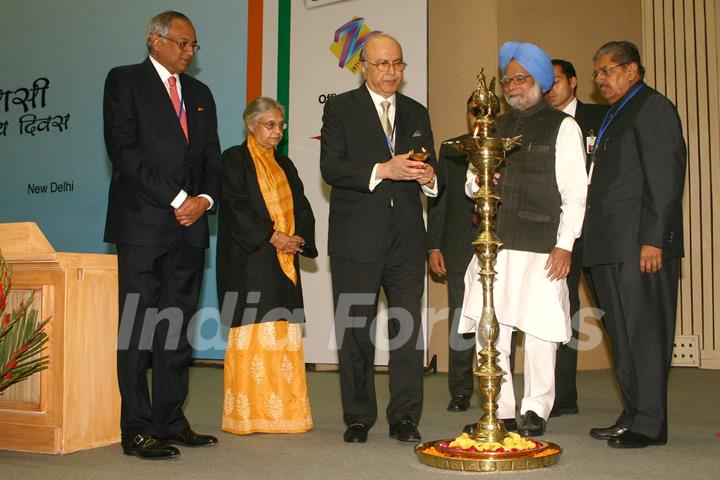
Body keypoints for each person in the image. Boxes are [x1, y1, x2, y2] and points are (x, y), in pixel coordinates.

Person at [103, 11, 221, 459]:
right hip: (144, 225)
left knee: (176, 329)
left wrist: (205, 200)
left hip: (191, 229)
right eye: (182, 44)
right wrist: (178, 198)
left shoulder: (201, 93)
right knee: (138, 328)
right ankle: (135, 428)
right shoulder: (125, 81)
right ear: (156, 41)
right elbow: (124, 152)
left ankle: (170, 420)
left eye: (194, 46)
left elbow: (212, 157)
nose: (189, 52)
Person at [460, 41, 587, 437]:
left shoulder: (563, 125)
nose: (513, 85)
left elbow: (576, 192)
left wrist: (566, 244)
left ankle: (536, 409)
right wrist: (483, 179)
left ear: (540, 81)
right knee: (492, 327)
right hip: (496, 246)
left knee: (539, 331)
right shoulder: (492, 127)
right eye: (508, 79)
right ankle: (502, 408)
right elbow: (469, 184)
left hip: (543, 246)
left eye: (522, 77)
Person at [320, 33, 440, 444]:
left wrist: (429, 178)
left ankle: (405, 417)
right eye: (383, 64)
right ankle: (357, 416)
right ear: (364, 67)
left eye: (398, 64)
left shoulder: (417, 112)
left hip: (406, 239)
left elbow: (431, 169)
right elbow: (331, 167)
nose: (392, 72)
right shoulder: (340, 108)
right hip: (357, 239)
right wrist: (381, 170)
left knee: (407, 333)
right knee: (356, 330)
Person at [584, 41, 686, 449]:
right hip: (609, 244)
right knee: (621, 335)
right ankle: (632, 412)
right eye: (597, 73)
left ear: (633, 70)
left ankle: (650, 423)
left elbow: (665, 180)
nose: (601, 80)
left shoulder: (653, 107)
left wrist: (653, 240)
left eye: (607, 71)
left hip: (640, 245)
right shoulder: (616, 112)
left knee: (644, 333)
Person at [217, 97, 317, 435]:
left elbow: (301, 205)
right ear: (251, 125)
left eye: (280, 124)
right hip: (249, 259)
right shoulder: (233, 160)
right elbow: (234, 208)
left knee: (282, 332)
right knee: (253, 335)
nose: (277, 131)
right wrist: (272, 236)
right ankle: (249, 415)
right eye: (270, 124)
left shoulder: (285, 164)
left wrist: (298, 238)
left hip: (284, 258)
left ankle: (286, 414)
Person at [544, 59, 608, 418]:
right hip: (559, 233)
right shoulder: (542, 122)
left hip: (599, 231)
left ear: (574, 81)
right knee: (561, 312)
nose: (550, 89)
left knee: (612, 310)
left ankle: (637, 395)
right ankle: (562, 396)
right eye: (545, 83)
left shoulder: (602, 117)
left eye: (556, 81)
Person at [427, 95, 479, 413]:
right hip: (459, 246)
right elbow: (439, 202)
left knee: (500, 320)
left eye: (485, 111)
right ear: (467, 114)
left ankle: (502, 390)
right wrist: (434, 245)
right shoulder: (451, 149)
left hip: (500, 247)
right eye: (474, 111)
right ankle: (460, 389)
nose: (478, 117)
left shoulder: (509, 147)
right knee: (461, 318)